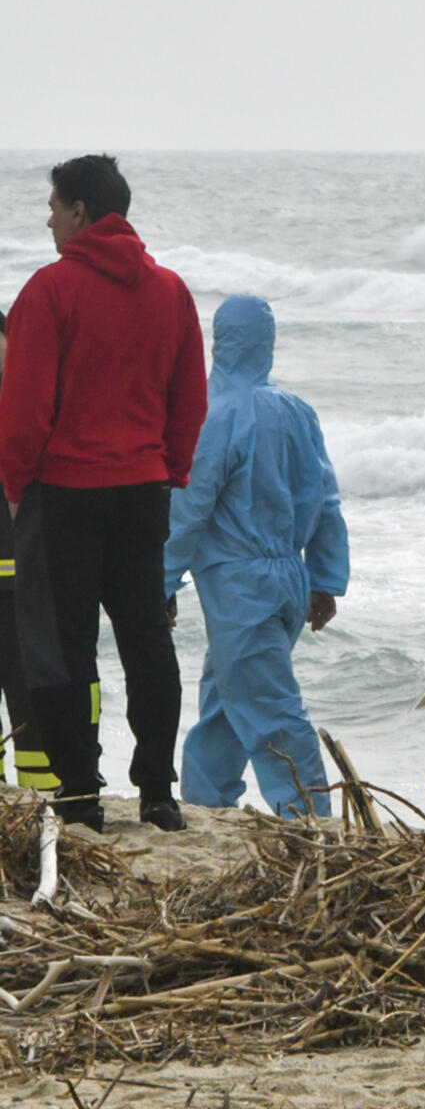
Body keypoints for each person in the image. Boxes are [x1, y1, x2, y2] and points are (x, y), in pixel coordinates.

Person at [0, 156, 206, 832]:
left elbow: (25, 405)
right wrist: (169, 470)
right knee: (147, 636)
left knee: (64, 645)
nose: (49, 218)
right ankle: (157, 791)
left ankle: (80, 792)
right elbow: (190, 400)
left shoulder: (51, 290)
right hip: (143, 489)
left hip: (64, 491)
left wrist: (14, 483)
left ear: (82, 212)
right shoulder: (172, 292)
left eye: (55, 206)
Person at [165, 295, 349, 820]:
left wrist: (161, 579)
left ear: (219, 342)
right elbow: (327, 500)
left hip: (240, 583)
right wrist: (326, 578)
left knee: (269, 708)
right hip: (290, 574)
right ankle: (206, 802)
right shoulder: (297, 411)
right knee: (228, 696)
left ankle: (310, 818)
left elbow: (190, 507)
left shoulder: (216, 414)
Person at [0, 310, 58, 790]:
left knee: (34, 701)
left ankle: (45, 798)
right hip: (27, 572)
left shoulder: (31, 406)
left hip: (26, 577)